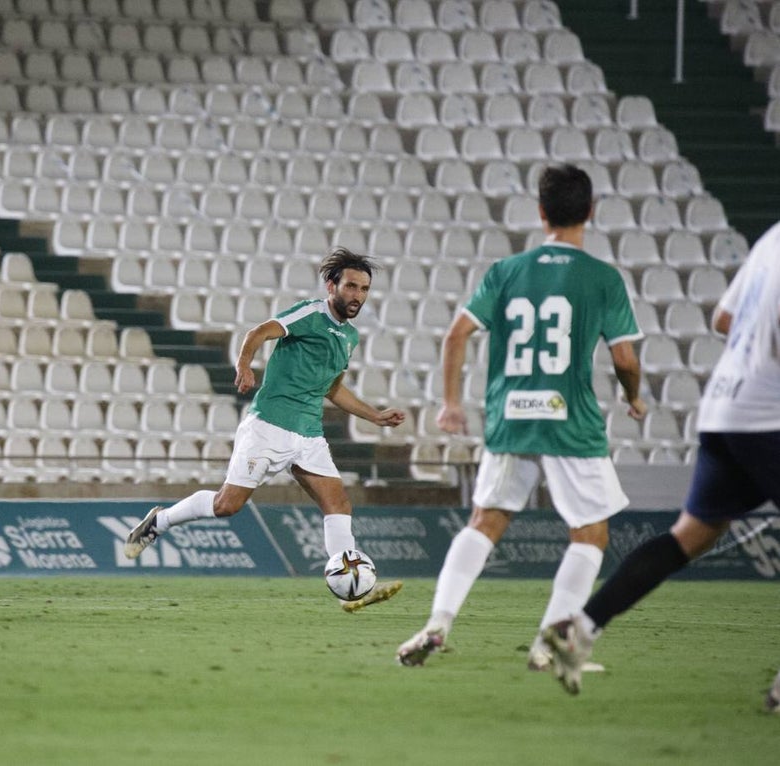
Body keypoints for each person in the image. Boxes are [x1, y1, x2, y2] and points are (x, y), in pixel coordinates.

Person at [396, 164, 648, 668]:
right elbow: (624, 359)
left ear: (540, 212)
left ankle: (438, 622)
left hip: (511, 417)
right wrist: (634, 396)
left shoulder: (506, 271)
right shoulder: (602, 278)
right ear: (591, 212)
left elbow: (456, 335)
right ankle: (548, 645)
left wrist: (450, 403)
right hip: (569, 421)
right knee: (591, 533)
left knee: (484, 521)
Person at [544, 220, 780, 707]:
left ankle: (580, 629)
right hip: (767, 414)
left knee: (690, 536)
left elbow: (724, 318)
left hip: (724, 405)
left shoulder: (771, 239)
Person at [124, 248, 406, 608]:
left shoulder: (349, 337)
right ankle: (158, 522)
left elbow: (332, 387)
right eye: (351, 286)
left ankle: (348, 591)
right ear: (331, 285)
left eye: (364, 289)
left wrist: (375, 416)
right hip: (270, 426)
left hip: (309, 434)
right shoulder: (310, 314)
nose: (357, 296)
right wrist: (244, 365)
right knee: (228, 505)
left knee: (338, 504)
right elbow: (258, 333)